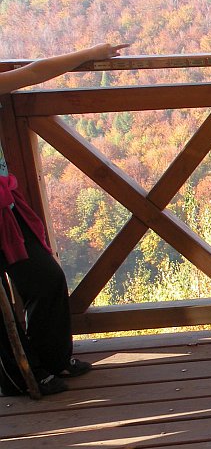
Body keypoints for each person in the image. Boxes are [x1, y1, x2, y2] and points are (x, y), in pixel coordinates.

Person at [0, 42, 128, 395]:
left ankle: (52, 360)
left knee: (46, 278)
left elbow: (34, 71)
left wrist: (88, 54)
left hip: (4, 204)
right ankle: (21, 378)